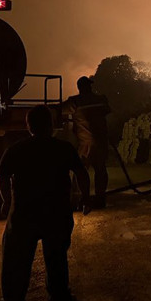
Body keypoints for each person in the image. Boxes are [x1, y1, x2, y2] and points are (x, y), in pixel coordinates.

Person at [0, 105, 91, 301]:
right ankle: (59, 297)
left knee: (17, 258)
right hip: (56, 213)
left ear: (29, 126)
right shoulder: (63, 148)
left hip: (24, 213)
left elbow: (2, 175)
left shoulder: (17, 149)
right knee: (56, 256)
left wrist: (6, 201)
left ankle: (13, 300)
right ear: (50, 125)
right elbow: (81, 173)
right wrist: (85, 198)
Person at [64, 76, 111, 208]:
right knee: (100, 170)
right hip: (101, 142)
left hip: (86, 143)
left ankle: (84, 198)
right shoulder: (101, 99)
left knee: (81, 171)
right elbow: (107, 111)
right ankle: (100, 198)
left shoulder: (75, 102)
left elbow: (60, 109)